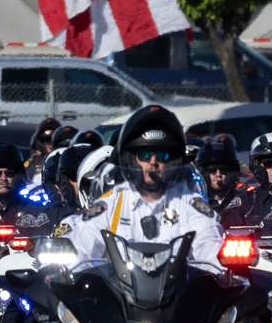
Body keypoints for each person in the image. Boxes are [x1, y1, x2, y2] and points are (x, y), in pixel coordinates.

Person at [63, 106, 226, 265]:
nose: (153, 163)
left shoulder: (189, 203)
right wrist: (71, 270)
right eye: (144, 155)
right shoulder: (111, 204)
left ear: (173, 160)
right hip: (117, 292)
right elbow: (83, 250)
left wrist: (218, 262)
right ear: (131, 159)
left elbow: (209, 245)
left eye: (162, 155)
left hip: (179, 291)